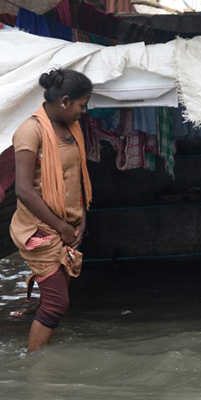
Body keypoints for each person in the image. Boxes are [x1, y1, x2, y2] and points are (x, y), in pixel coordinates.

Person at [10, 69, 93, 351]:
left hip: (67, 227)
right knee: (58, 301)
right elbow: (24, 190)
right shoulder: (30, 131)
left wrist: (79, 222)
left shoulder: (72, 129)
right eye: (82, 105)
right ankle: (33, 365)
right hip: (39, 230)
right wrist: (63, 228)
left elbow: (76, 179)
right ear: (65, 101)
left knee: (57, 300)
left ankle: (44, 353)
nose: (84, 111)